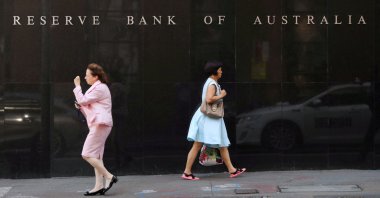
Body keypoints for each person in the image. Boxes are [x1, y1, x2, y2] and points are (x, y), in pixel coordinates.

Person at [182, 60, 246, 180]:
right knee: (200, 145)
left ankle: (232, 170)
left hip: (210, 119)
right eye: (220, 70)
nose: (221, 72)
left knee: (221, 145)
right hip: (209, 119)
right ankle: (187, 172)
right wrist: (222, 95)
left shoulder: (211, 82)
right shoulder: (212, 83)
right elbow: (209, 99)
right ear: (215, 71)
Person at [73, 63, 118, 196]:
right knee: (97, 156)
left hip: (101, 124)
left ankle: (109, 177)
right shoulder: (97, 88)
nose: (85, 78)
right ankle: (99, 185)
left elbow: (83, 100)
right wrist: (81, 106)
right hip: (99, 123)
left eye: (87, 76)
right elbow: (88, 105)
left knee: (86, 154)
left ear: (95, 77)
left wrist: (77, 86)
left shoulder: (100, 88)